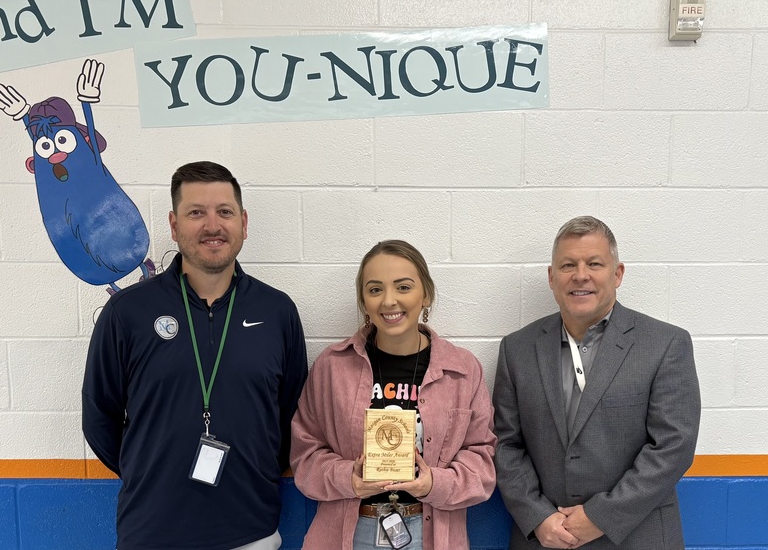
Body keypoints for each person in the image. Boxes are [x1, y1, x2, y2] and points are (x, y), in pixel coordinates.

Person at [82, 161, 308, 550]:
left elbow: (293, 415)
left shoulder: (277, 312)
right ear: (173, 225)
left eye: (224, 212)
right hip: (152, 531)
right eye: (196, 213)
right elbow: (99, 417)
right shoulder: (127, 312)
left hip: (250, 531)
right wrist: (147, 470)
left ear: (243, 222)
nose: (212, 225)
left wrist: (259, 472)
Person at [493, 216, 701, 550]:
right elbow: (506, 444)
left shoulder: (664, 344)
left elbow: (673, 447)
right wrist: (537, 516)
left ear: (617, 274)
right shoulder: (517, 349)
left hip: (637, 537)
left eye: (594, 263)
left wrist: (601, 516)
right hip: (545, 539)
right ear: (551, 277)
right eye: (567, 265)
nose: (580, 275)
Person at [291, 240, 497, 550]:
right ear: (363, 300)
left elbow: (482, 462)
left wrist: (434, 484)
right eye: (375, 290)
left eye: (403, 287)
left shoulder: (463, 370)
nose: (389, 301)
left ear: (425, 294)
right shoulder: (332, 368)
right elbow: (305, 457)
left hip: (432, 534)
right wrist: (349, 477)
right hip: (349, 531)